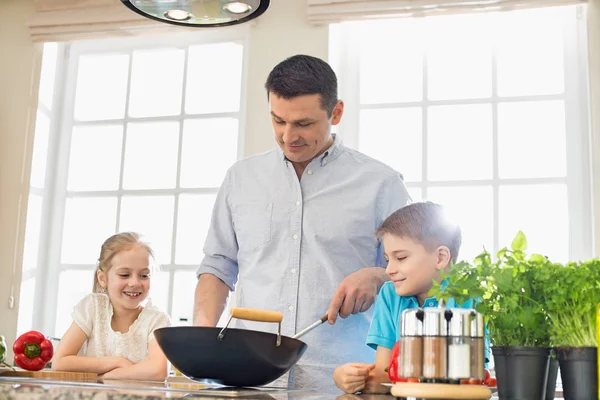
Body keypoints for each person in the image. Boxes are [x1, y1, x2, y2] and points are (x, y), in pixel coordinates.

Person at [193, 54, 411, 371]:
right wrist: (201, 337)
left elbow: (418, 275)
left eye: (303, 124)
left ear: (336, 113)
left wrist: (378, 276)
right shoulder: (240, 178)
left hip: (344, 378)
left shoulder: (382, 183)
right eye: (278, 121)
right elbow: (218, 265)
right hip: (250, 372)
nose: (288, 136)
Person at [333, 202, 491, 394]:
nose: (389, 269)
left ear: (440, 258)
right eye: (387, 259)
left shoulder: (470, 297)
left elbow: (469, 373)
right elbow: (384, 373)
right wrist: (346, 376)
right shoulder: (389, 295)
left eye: (400, 258)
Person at [53, 232, 170, 381]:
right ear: (102, 278)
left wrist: (107, 377)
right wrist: (117, 362)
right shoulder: (93, 307)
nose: (135, 283)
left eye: (144, 275)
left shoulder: (157, 319)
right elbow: (61, 361)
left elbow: (158, 371)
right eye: (124, 275)